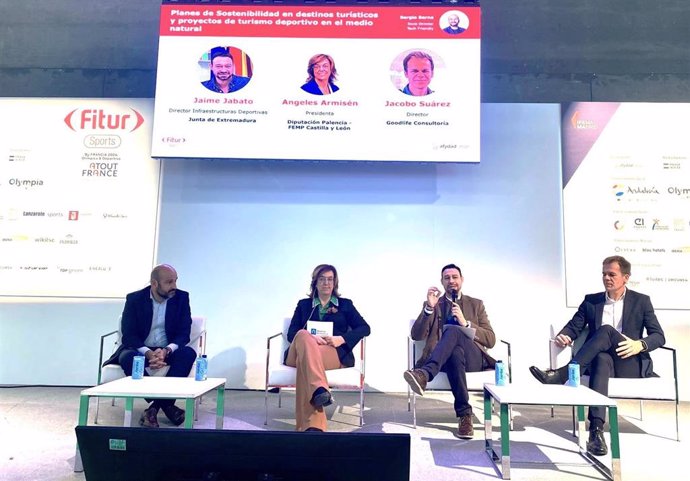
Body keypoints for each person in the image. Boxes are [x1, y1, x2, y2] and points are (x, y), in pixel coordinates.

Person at [529, 255, 665, 457]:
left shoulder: (641, 301)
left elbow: (659, 336)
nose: (606, 278)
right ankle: (596, 430)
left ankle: (563, 374)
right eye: (604, 274)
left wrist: (640, 344)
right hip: (604, 362)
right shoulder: (591, 301)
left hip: (629, 360)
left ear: (626, 277)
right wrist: (564, 335)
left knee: (607, 330)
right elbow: (575, 325)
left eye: (612, 274)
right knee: (601, 358)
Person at [403, 263, 496, 439]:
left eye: (454, 277)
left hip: (474, 358)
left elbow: (490, 339)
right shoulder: (434, 304)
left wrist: (466, 323)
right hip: (445, 361)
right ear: (441, 282)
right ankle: (464, 416)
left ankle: (424, 375)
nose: (451, 281)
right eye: (447, 278)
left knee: (453, 330)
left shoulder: (476, 305)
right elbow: (416, 335)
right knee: (454, 353)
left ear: (461, 280)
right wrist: (429, 308)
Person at [103, 264, 197, 428]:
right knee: (127, 357)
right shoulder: (134, 299)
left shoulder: (181, 298)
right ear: (154, 284)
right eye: (169, 282)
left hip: (167, 350)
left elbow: (184, 332)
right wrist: (147, 353)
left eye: (175, 281)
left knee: (187, 353)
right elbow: (129, 334)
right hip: (141, 349)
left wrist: (167, 351)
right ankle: (167, 406)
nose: (174, 286)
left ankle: (153, 409)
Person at [284, 264, 370, 432]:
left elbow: (365, 328)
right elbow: (291, 333)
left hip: (330, 352)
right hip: (298, 352)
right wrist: (310, 337)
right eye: (322, 279)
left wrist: (341, 338)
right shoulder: (303, 305)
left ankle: (313, 425)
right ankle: (319, 388)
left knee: (306, 364)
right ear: (315, 283)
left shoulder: (345, 305)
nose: (326, 283)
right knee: (302, 335)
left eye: (330, 279)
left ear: (335, 283)